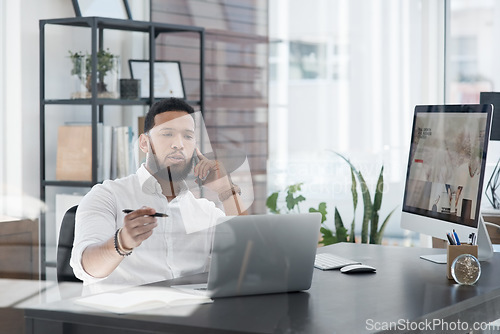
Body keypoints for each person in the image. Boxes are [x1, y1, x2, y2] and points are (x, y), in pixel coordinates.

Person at [70, 98, 245, 295]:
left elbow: (247, 261)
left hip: (188, 316)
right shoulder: (107, 196)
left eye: (187, 136)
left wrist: (226, 191)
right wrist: (122, 242)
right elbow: (87, 268)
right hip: (124, 318)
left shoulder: (205, 211)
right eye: (167, 134)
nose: (178, 144)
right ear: (144, 143)